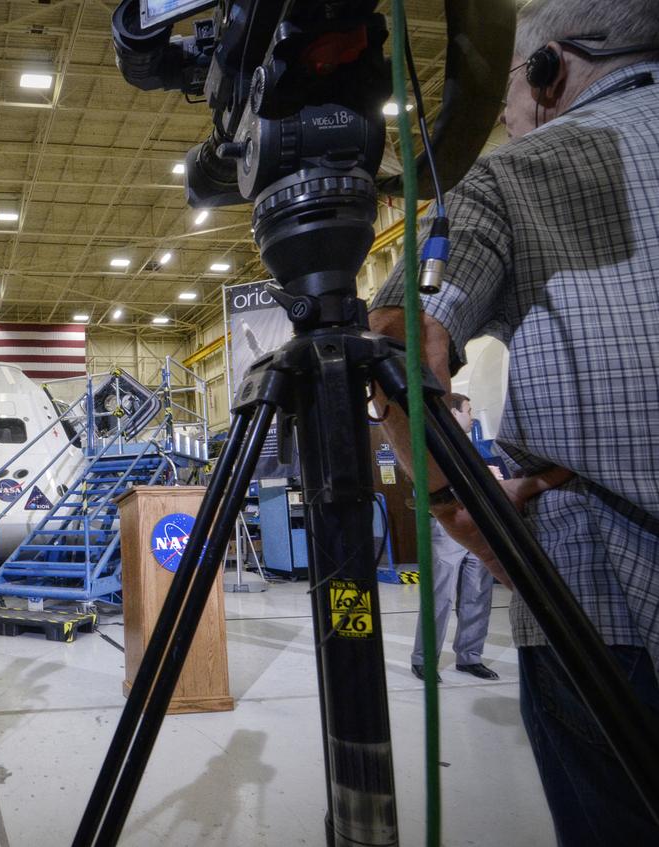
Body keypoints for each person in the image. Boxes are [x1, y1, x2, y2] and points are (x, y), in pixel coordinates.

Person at [369, 2, 659, 841]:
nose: (504, 118)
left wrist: (471, 519)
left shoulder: (517, 174)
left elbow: (395, 341)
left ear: (549, 71)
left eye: (510, 94)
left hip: (603, 603)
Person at [409, 394, 497, 683]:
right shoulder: (432, 445)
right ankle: (423, 660)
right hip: (447, 529)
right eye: (468, 411)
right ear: (452, 412)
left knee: (478, 593)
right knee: (439, 597)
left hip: (478, 526)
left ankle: (470, 657)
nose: (472, 417)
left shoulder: (466, 445)